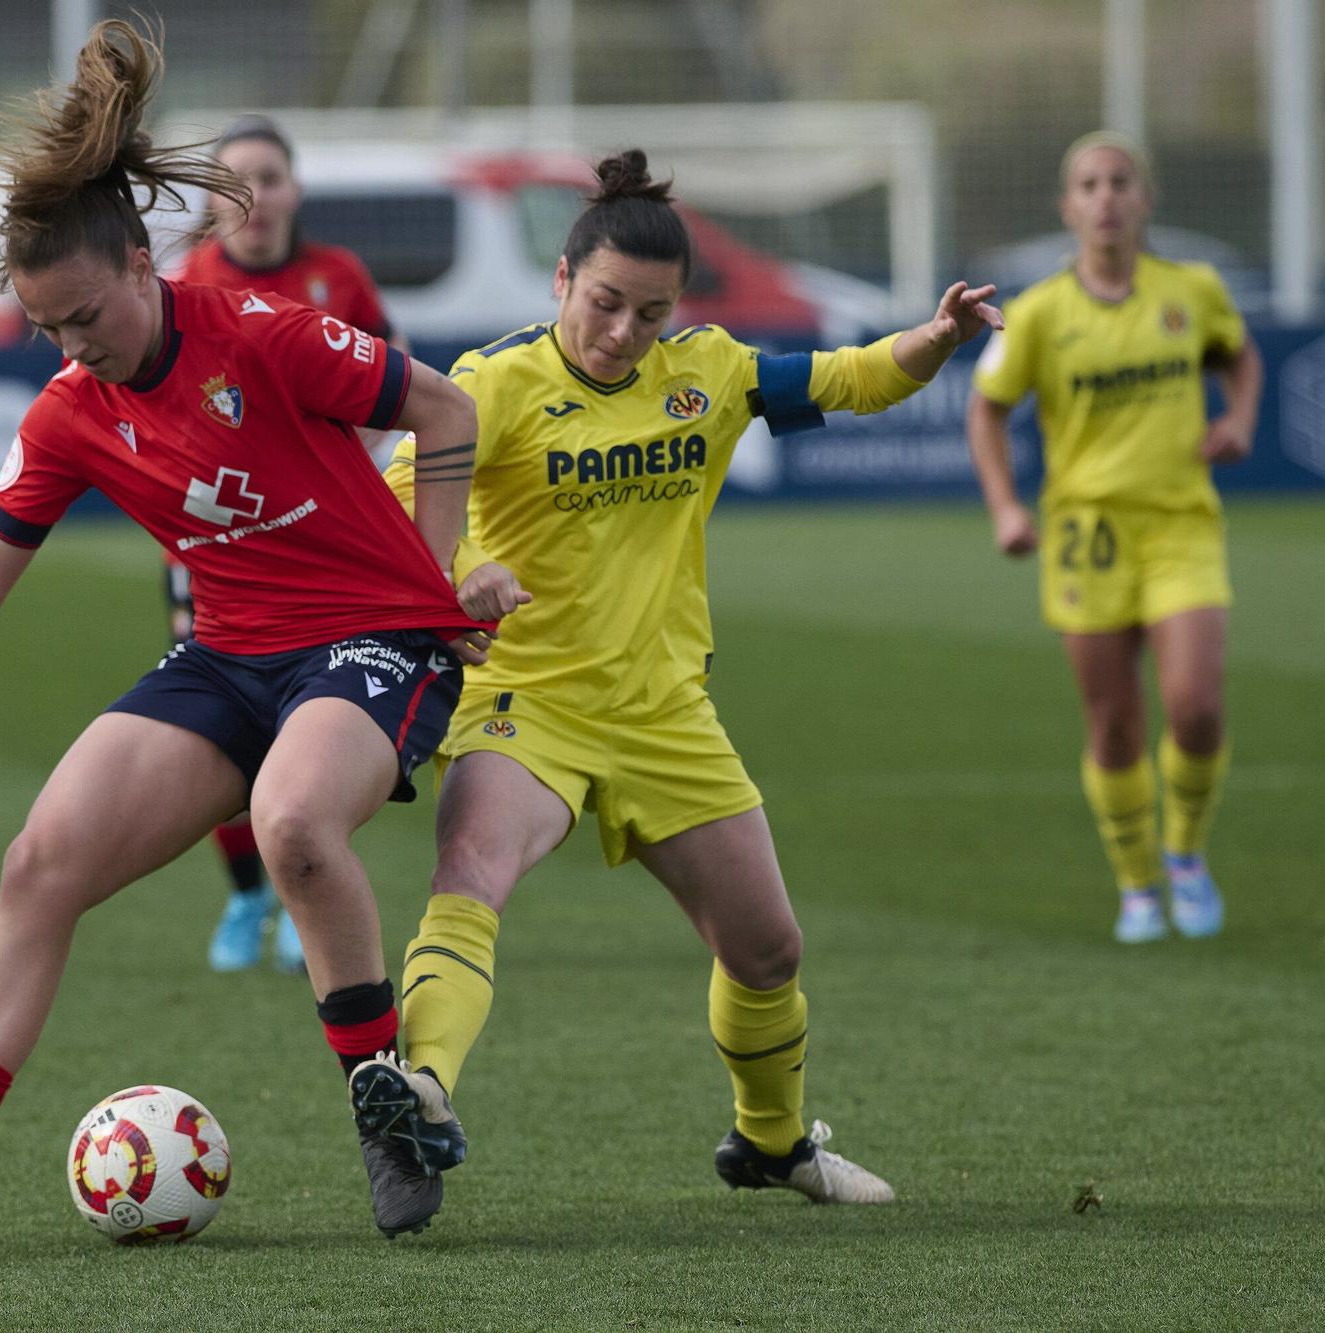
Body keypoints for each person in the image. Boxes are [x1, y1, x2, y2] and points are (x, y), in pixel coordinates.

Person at [0, 20, 498, 1247]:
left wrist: (430, 590)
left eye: (82, 315)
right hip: (228, 657)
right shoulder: (71, 411)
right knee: (40, 860)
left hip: (369, 639)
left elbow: (444, 409)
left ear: (138, 262)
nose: (72, 347)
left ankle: (384, 1118)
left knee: (291, 823)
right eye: (46, 328)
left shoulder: (262, 333)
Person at [349, 150, 1003, 1234]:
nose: (623, 332)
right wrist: (462, 570)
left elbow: (846, 378)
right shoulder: (491, 384)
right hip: (528, 703)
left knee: (767, 948)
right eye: (604, 303)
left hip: (663, 712)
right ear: (561, 279)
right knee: (471, 871)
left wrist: (933, 339)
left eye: (650, 314)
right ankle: (421, 1092)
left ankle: (770, 1142)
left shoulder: (708, 373)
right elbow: (396, 506)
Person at [967, 131, 1261, 944]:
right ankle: (1136, 883)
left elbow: (1240, 358)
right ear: (1068, 207)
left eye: (1120, 182)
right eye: (1090, 185)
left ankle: (1185, 854)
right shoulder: (1038, 313)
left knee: (1196, 708)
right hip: (1086, 536)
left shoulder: (1191, 290)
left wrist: (1239, 419)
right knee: (1114, 724)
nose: (1106, 198)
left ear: (1145, 200)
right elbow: (986, 410)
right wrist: (1005, 507)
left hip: (1179, 523)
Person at [167, 114, 405, 975]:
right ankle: (246, 894)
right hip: (221, 543)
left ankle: (309, 884)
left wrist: (350, 465)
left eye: (269, 178)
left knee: (322, 720)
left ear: (295, 189)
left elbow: (395, 370)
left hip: (327, 547)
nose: (254, 198)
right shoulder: (187, 284)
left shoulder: (336, 277)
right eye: (235, 182)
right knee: (221, 724)